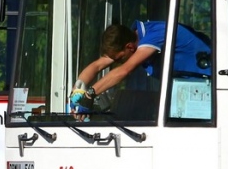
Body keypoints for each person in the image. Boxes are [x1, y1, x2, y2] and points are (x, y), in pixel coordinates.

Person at [68, 21, 210, 116]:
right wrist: (77, 91)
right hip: (189, 90)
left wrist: (90, 95)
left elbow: (125, 70)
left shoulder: (155, 35)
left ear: (130, 47)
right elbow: (97, 65)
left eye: (119, 59)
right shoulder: (130, 41)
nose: (117, 62)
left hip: (210, 85)